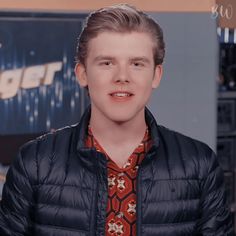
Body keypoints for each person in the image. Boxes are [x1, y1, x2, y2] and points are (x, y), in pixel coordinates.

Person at [0, 4, 233, 236]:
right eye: (107, 63)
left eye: (137, 64)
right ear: (82, 73)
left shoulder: (199, 165)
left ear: (156, 75)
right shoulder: (35, 164)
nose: (122, 77)